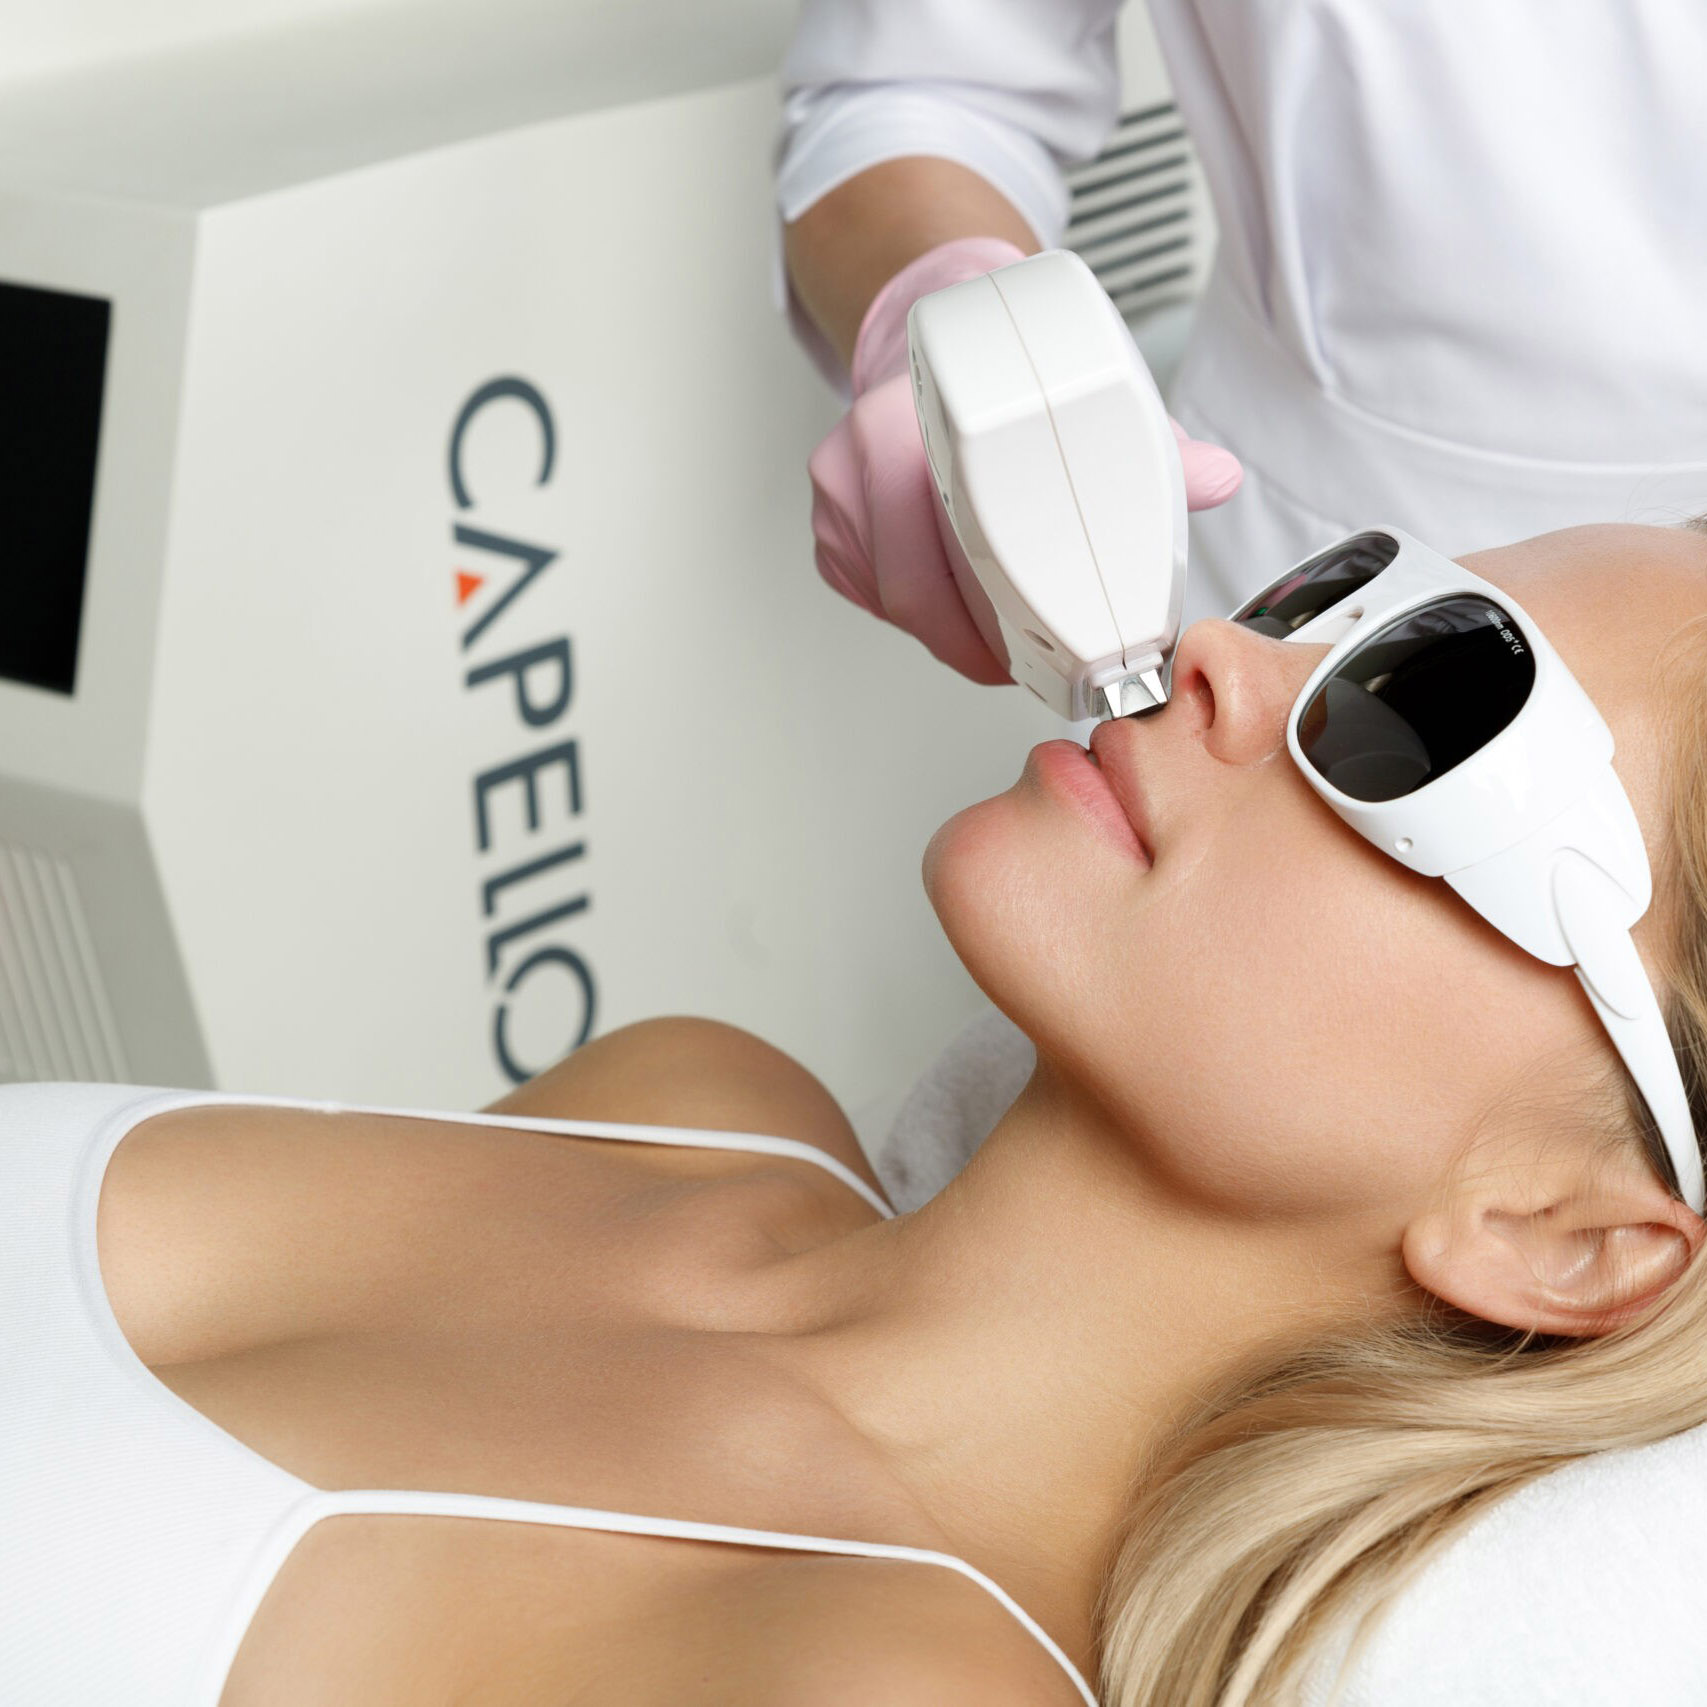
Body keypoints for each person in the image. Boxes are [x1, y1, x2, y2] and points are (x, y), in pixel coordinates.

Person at [5, 517, 1707, 1705]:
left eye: (1429, 711)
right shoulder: (688, 1098)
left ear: (1558, 1233)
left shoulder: (886, 1681)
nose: (1221, 656)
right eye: (1332, 597)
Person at [780, 1, 1707, 661]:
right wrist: (947, 309)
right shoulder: (1222, 687)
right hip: (1291, 568)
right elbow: (926, 84)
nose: (1209, 689)